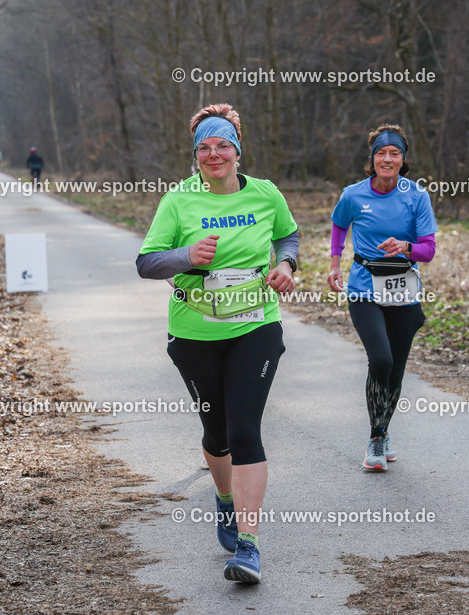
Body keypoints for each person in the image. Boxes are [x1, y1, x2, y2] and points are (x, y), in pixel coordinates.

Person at [136, 103, 298, 584]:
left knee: (246, 429)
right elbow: (147, 263)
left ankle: (248, 545)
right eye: (203, 147)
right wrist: (186, 255)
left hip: (256, 324)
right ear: (195, 155)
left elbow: (288, 237)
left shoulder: (266, 195)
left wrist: (286, 266)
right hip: (194, 332)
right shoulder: (179, 200)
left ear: (238, 150)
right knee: (218, 432)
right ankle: (224, 500)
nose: (213, 154)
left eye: (222, 145)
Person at [326, 124, 437, 472]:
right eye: (381, 153)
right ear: (372, 159)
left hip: (403, 289)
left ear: (403, 160)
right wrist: (334, 264)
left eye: (394, 153)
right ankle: (375, 439)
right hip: (364, 288)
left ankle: (383, 431)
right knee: (382, 360)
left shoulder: (417, 196)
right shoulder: (353, 195)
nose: (387, 159)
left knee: (397, 372)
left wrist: (406, 247)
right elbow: (339, 225)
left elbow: (429, 250)